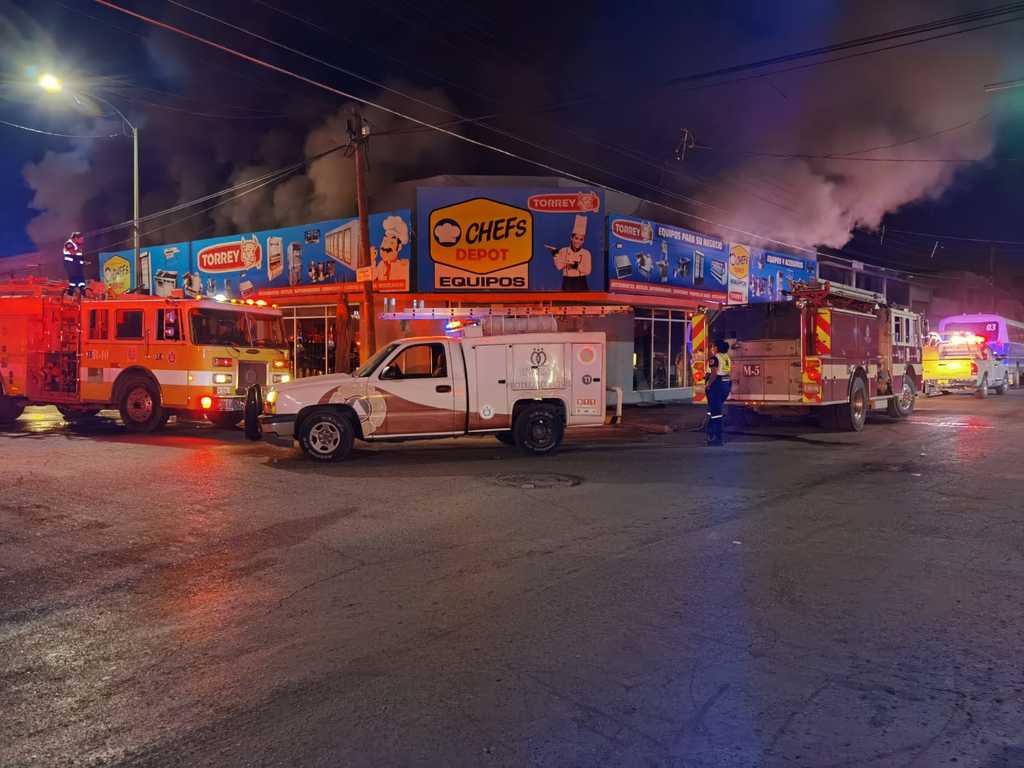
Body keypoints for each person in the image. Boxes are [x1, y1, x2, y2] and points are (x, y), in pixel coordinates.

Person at [705, 339, 732, 446]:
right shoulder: (726, 357)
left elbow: (714, 373)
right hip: (726, 384)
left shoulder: (714, 358)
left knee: (716, 414)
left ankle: (717, 439)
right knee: (714, 411)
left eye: (713, 346)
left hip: (717, 385)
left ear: (717, 347)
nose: (712, 348)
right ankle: (711, 434)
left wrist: (708, 384)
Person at [63, 231, 86, 296]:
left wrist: (83, 262)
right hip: (71, 265)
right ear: (76, 238)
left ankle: (82, 290)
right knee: (74, 280)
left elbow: (78, 256)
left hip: (77, 265)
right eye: (81, 239)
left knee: (81, 279)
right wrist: (78, 250)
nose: (82, 241)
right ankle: (70, 293)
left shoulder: (77, 245)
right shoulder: (68, 243)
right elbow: (72, 253)